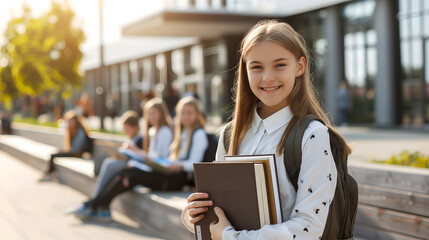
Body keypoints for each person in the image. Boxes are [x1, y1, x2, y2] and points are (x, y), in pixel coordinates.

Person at [182, 20, 351, 240]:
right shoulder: (229, 135)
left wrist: (230, 237)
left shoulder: (313, 135)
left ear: (300, 66)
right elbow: (218, 213)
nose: (267, 77)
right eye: (257, 67)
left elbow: (308, 229)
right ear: (245, 69)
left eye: (280, 65)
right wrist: (191, 215)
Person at [71, 98, 208, 221]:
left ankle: (92, 205)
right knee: (126, 173)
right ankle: (97, 205)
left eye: (189, 113)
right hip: (170, 173)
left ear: (197, 114)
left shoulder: (199, 134)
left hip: (176, 179)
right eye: (182, 113)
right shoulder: (182, 133)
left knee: (129, 175)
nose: (185, 116)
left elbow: (194, 164)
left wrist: (176, 165)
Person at [91, 110, 143, 199]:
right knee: (109, 162)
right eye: (124, 129)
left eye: (127, 129)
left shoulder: (140, 139)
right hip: (125, 164)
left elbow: (141, 158)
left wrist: (133, 149)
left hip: (132, 168)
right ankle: (97, 197)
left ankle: (96, 198)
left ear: (135, 128)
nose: (125, 131)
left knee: (110, 164)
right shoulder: (129, 139)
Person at [40, 110, 93, 181]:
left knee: (53, 155)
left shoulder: (80, 131)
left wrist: (67, 151)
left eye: (71, 121)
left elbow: (76, 148)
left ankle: (49, 174)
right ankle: (51, 173)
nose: (69, 123)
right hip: (75, 152)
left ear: (75, 121)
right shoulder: (73, 130)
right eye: (68, 121)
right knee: (55, 154)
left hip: (78, 153)